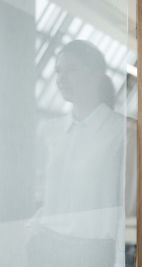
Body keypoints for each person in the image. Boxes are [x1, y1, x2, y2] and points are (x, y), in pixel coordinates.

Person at [26, 40, 125, 267]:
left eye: (71, 70)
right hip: (45, 247)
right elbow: (43, 191)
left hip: (92, 252)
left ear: (97, 74)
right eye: (58, 71)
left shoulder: (121, 131)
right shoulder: (49, 130)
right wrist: (32, 229)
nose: (61, 79)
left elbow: (126, 208)